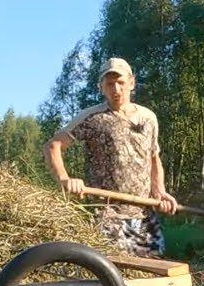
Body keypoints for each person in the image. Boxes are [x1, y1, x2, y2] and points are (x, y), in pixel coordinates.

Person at [43, 57, 178, 257]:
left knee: (151, 275)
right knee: (114, 277)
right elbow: (52, 147)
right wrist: (66, 179)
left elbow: (153, 157)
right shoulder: (93, 118)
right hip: (107, 214)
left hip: (143, 215)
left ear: (131, 83)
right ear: (101, 87)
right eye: (110, 84)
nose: (116, 89)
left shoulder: (148, 118)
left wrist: (160, 191)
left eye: (121, 82)